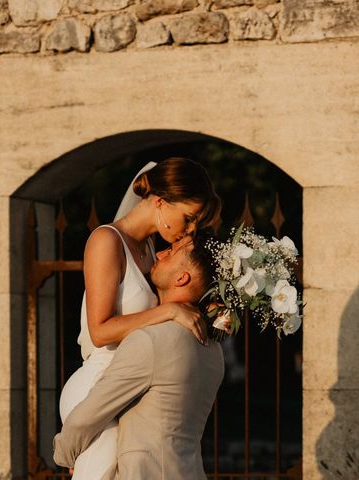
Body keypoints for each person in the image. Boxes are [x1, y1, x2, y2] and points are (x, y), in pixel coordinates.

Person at [58, 158, 221, 479]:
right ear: (161, 202)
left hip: (129, 388)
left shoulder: (148, 250)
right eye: (188, 218)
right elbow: (100, 330)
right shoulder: (106, 241)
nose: (189, 230)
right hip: (98, 388)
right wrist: (169, 311)